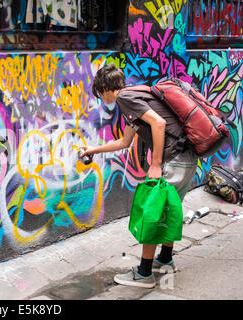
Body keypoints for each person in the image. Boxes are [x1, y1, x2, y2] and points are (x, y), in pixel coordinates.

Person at [81, 64, 198, 288]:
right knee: (167, 210)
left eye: (99, 93)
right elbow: (124, 142)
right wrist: (92, 150)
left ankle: (144, 273)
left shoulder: (124, 98)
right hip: (186, 158)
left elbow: (159, 123)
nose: (101, 98)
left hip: (172, 159)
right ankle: (165, 259)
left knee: (152, 213)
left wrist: (155, 163)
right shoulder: (136, 96)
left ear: (105, 88)